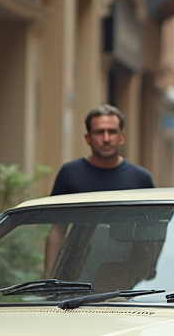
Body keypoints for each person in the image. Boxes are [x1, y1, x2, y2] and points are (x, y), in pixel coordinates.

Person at [45, 105, 154, 275]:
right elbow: (57, 230)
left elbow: (152, 236)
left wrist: (147, 271)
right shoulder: (70, 174)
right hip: (76, 276)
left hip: (129, 278)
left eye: (112, 132)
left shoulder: (140, 178)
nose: (106, 138)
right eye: (99, 132)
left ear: (122, 137)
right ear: (88, 138)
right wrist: (49, 279)